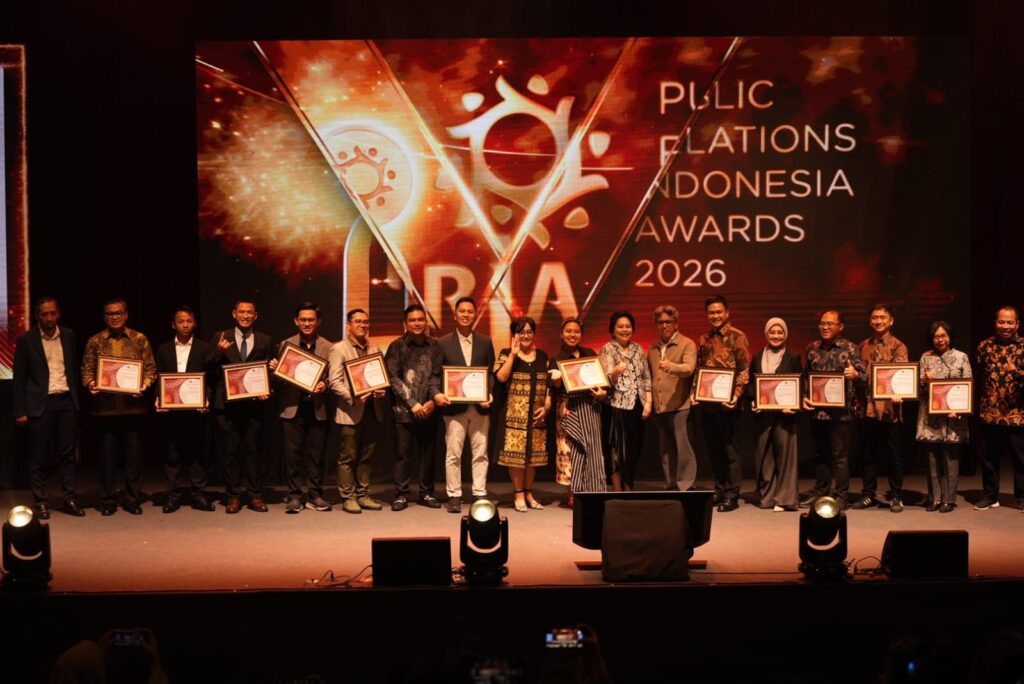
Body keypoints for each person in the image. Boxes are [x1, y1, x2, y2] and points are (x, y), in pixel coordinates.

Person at [81, 298, 157, 516]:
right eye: (110, 313)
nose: (114, 317)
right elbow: (86, 370)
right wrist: (91, 384)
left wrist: (144, 385)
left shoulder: (139, 339)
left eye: (118, 313)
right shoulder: (95, 341)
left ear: (126, 315)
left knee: (134, 458)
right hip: (105, 410)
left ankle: (132, 499)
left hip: (134, 408)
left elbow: (151, 369)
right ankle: (107, 500)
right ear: (104, 317)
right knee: (107, 459)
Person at [12, 297, 84, 518]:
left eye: (53, 313)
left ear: (58, 314)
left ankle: (69, 498)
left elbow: (72, 368)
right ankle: (40, 501)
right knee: (38, 455)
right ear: (37, 316)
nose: (49, 318)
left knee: (67, 454)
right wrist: (20, 410)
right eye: (45, 314)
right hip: (40, 403)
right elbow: (19, 377)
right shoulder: (27, 340)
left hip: (66, 401)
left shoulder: (68, 335)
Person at [209, 298, 273, 514]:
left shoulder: (265, 340)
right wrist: (218, 352)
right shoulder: (221, 337)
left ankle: (255, 495)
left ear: (256, 316)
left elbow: (268, 371)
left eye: (249, 312)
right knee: (231, 452)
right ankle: (233, 496)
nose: (245, 316)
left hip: (254, 404)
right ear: (234, 314)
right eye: (242, 312)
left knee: (253, 452)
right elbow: (208, 367)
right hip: (227, 405)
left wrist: (267, 389)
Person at [432, 297, 495, 514]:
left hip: (480, 407)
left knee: (480, 453)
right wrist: (437, 394)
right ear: (455, 315)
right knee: (453, 454)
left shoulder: (485, 341)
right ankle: (454, 495)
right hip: (454, 407)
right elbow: (435, 375)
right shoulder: (442, 343)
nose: (466, 314)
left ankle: (479, 494)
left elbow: (490, 373)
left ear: (475, 314)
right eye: (462, 311)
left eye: (470, 311)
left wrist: (489, 393)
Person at [269, 302, 333, 513]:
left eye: (311, 320)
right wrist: (275, 371)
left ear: (318, 321)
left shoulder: (328, 346)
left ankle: (315, 495)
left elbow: (334, 377)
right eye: (303, 319)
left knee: (316, 456)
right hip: (292, 407)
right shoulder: (285, 345)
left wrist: (325, 385)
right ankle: (294, 495)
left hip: (317, 407)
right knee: (292, 456)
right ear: (296, 321)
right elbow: (278, 383)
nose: (307, 323)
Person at [800, 310, 867, 509]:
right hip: (817, 411)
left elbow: (864, 377)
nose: (825, 327)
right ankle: (821, 491)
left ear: (841, 326)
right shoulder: (812, 348)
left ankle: (841, 495)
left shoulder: (851, 348)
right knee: (820, 455)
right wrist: (803, 396)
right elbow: (805, 377)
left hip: (841, 413)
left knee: (840, 456)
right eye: (822, 323)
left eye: (830, 324)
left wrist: (855, 375)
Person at [153, 306, 215, 512]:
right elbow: (159, 377)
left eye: (189, 321)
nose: (185, 325)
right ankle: (173, 495)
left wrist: (206, 398)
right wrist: (158, 398)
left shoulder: (204, 348)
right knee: (172, 454)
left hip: (195, 408)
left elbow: (210, 379)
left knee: (197, 453)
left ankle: (198, 494)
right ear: (173, 325)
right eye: (181, 321)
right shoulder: (163, 349)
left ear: (194, 323)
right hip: (172, 409)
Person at [852, 303, 910, 512]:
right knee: (868, 454)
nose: (878, 321)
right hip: (867, 408)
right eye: (874, 317)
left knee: (894, 454)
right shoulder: (861, 346)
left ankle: (896, 495)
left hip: (889, 408)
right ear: (870, 321)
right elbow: (858, 376)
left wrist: (900, 391)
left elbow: (901, 375)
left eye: (882, 317)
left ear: (891, 321)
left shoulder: (898, 346)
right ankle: (868, 494)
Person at [693, 295, 749, 511]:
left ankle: (732, 494)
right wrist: (695, 392)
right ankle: (720, 489)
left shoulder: (737, 337)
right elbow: (700, 369)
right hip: (708, 404)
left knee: (730, 450)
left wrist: (736, 394)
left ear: (727, 313)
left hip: (728, 405)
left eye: (719, 312)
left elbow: (744, 370)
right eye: (711, 312)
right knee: (714, 449)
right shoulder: (704, 339)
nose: (715, 316)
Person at [385, 304, 443, 511]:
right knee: (403, 454)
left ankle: (426, 493)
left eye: (420, 319)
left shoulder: (435, 346)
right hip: (403, 411)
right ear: (405, 323)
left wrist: (432, 401)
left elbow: (436, 376)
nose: (417, 323)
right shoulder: (396, 346)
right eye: (412, 320)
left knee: (428, 454)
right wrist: (413, 404)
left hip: (429, 410)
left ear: (426, 322)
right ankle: (401, 495)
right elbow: (393, 378)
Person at [328, 308, 387, 514]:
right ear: (349, 325)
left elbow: (379, 376)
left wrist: (381, 389)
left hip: (372, 410)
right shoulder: (339, 349)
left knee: (366, 457)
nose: (362, 325)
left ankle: (363, 494)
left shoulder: (374, 347)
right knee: (348, 457)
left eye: (365, 322)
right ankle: (349, 497)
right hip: (350, 410)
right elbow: (334, 381)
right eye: (358, 322)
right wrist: (352, 397)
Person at [494, 317, 552, 512]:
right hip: (514, 415)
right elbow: (501, 377)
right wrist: (513, 355)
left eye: (529, 331)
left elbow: (549, 386)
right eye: (521, 332)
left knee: (532, 458)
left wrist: (547, 406)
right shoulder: (506, 353)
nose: (526, 335)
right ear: (514, 335)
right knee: (517, 457)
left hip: (537, 415)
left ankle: (529, 493)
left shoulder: (542, 356)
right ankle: (518, 494)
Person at [549, 318, 607, 506]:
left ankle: (593, 490)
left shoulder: (589, 354)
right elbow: (553, 387)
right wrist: (556, 380)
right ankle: (573, 493)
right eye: (568, 331)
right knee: (568, 450)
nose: (572, 334)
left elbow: (600, 381)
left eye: (576, 331)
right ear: (561, 334)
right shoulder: (556, 359)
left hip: (590, 407)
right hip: (568, 408)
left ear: (581, 335)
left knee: (592, 449)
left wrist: (602, 393)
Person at [748, 317, 802, 511]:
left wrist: (794, 405)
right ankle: (767, 496)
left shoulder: (793, 357)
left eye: (780, 332)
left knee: (786, 457)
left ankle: (785, 499)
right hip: (763, 415)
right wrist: (753, 401)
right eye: (772, 332)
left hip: (785, 415)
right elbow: (752, 386)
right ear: (766, 334)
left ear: (785, 335)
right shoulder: (757, 357)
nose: (776, 336)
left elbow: (800, 385)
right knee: (765, 456)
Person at [917, 320, 971, 512]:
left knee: (950, 458)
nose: (940, 340)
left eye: (943, 336)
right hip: (930, 415)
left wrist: (960, 409)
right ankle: (935, 498)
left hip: (953, 415)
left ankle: (949, 499)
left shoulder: (961, 357)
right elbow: (917, 388)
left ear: (950, 337)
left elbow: (968, 386)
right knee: (931, 459)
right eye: (936, 336)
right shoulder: (926, 357)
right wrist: (924, 380)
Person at [974, 305, 1024, 511]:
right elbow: (978, 377)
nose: (1005, 326)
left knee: (1020, 458)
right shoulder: (984, 347)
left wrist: (1017, 373)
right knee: (988, 457)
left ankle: (1022, 496)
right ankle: (990, 495)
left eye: (1010, 322)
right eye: (1001, 322)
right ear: (995, 323)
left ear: (1017, 324)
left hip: (1017, 413)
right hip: (990, 412)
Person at [599, 311, 652, 492]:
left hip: (637, 405)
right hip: (616, 406)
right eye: (620, 326)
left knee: (633, 449)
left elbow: (646, 377)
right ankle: (617, 488)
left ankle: (629, 486)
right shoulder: (607, 349)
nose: (624, 330)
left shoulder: (638, 348)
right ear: (613, 330)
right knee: (615, 449)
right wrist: (615, 372)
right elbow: (605, 381)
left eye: (628, 326)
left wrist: (648, 402)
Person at [647, 305, 697, 492]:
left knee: (684, 449)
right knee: (665, 449)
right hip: (660, 406)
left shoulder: (687, 344)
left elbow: (689, 368)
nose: (664, 326)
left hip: (680, 406)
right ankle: (671, 484)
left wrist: (672, 366)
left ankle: (686, 486)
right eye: (660, 322)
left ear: (676, 323)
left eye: (668, 322)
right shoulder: (653, 347)